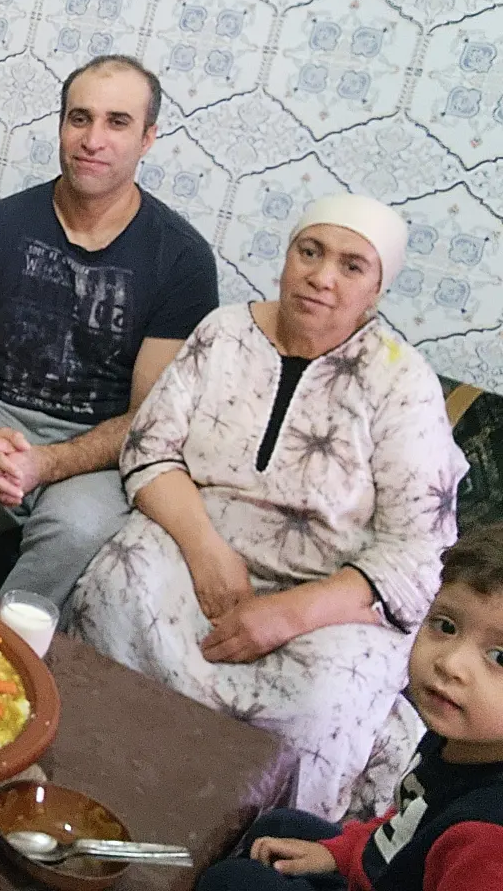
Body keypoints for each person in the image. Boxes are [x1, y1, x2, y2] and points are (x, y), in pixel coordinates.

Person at [70, 194, 469, 820]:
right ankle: (83, 777)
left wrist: (285, 615)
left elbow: (421, 551)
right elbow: (150, 451)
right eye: (309, 252)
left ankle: (252, 850)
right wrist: (207, 553)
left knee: (326, 697)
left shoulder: (400, 381)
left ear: (377, 289)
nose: (321, 276)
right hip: (199, 548)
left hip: (328, 599)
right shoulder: (224, 332)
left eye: (351, 265)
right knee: (118, 585)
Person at [0, 55, 218, 609]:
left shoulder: (182, 259)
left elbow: (147, 416)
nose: (93, 139)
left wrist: (46, 465)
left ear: (148, 138)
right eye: (79, 118)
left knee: (78, 528)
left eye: (117, 122)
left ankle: (4, 668)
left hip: (99, 442)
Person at [197, 523, 503, 890]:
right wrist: (339, 854)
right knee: (279, 828)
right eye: (446, 625)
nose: (450, 663)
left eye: (499, 656)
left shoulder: (487, 844)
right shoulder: (461, 740)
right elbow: (404, 829)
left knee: (233, 882)